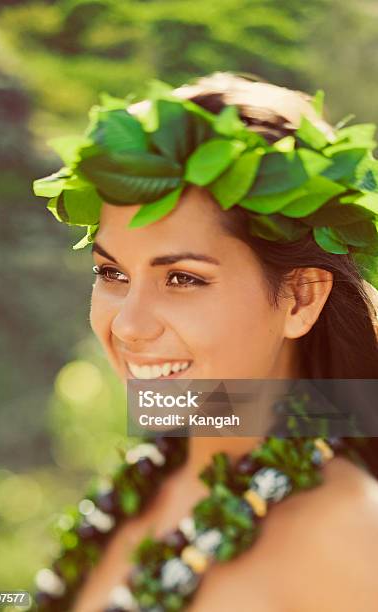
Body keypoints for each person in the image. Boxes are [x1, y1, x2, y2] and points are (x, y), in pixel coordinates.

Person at [33, 73, 378, 612]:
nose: (127, 326)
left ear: (300, 299)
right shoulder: (148, 483)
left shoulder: (345, 537)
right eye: (112, 273)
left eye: (183, 278)